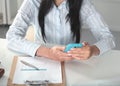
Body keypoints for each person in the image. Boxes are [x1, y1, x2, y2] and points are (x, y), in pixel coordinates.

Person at [6, 0, 115, 61]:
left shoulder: (84, 4)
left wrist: (92, 49)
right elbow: (12, 37)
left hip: (71, 61)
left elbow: (108, 39)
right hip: (41, 59)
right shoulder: (32, 2)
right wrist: (48, 52)